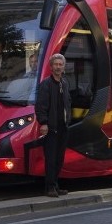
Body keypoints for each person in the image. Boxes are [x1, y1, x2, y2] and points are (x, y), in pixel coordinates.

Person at [35, 53, 71, 198]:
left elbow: (68, 103)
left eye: (60, 64)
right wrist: (43, 123)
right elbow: (41, 106)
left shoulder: (65, 83)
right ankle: (49, 187)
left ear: (63, 67)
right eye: (55, 64)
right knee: (51, 159)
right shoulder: (46, 84)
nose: (58, 67)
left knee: (59, 159)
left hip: (63, 127)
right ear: (51, 67)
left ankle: (55, 185)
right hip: (51, 128)